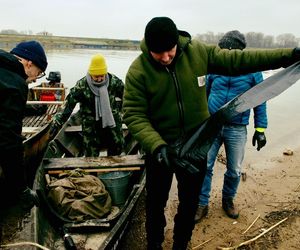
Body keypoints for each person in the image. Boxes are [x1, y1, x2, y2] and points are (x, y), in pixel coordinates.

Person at [122, 16, 300, 250]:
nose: (165, 58)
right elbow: (133, 114)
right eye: (158, 53)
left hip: (196, 144)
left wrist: (289, 56)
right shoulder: (138, 71)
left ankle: (180, 243)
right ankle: (154, 243)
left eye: (170, 50)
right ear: (148, 48)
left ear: (177, 42)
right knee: (155, 204)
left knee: (189, 204)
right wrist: (156, 145)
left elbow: (241, 60)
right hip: (161, 149)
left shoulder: (198, 53)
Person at [195, 30, 267, 223]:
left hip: (237, 128)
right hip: (212, 125)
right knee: (205, 166)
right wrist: (199, 122)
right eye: (223, 49)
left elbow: (261, 101)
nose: (225, 52)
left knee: (234, 169)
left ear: (239, 51)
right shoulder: (214, 68)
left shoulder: (253, 71)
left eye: (229, 49)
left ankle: (228, 200)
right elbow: (204, 95)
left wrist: (260, 129)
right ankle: (202, 203)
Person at [0, 40, 48, 210]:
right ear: (28, 62)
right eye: (39, 72)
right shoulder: (15, 82)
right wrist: (21, 189)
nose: (35, 79)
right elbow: (8, 139)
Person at [49, 54, 125, 157]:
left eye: (102, 75)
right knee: (91, 154)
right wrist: (57, 122)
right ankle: (92, 172)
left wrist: (124, 113)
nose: (99, 79)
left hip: (111, 121)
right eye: (96, 76)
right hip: (91, 125)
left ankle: (114, 171)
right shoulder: (82, 85)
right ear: (91, 73)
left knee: (117, 147)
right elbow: (68, 106)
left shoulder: (114, 81)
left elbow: (128, 97)